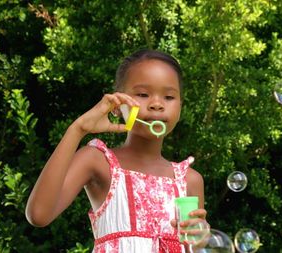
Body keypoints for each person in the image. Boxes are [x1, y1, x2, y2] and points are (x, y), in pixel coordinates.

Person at [25, 49, 207, 252]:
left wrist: (200, 239)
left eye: (169, 97)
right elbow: (39, 215)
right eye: (143, 94)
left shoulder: (189, 181)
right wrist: (78, 129)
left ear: (180, 106)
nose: (157, 104)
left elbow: (194, 247)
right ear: (118, 105)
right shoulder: (98, 161)